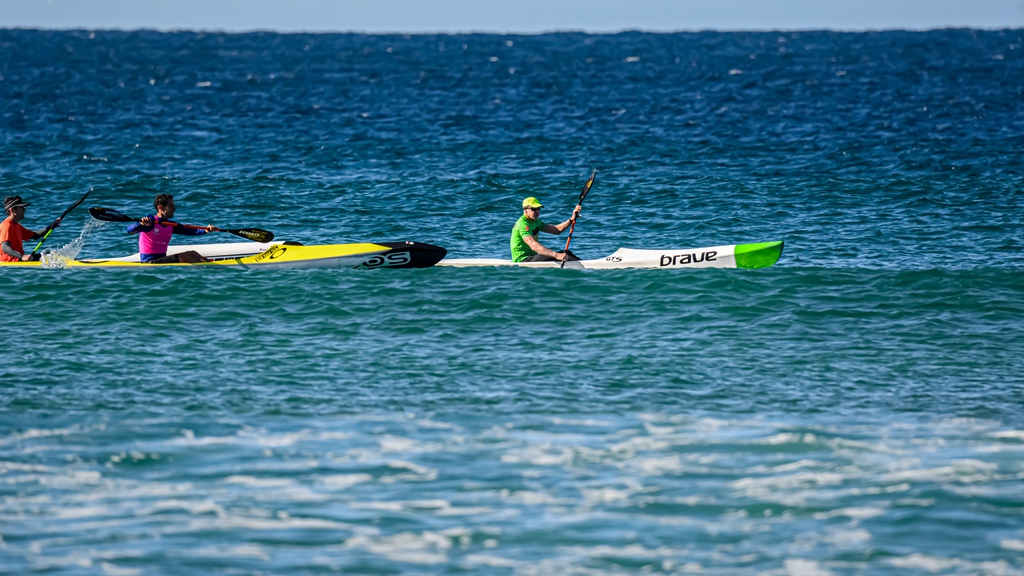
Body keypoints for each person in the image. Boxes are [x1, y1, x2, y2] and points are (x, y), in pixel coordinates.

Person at [127, 194, 219, 263]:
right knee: (189, 255)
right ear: (161, 208)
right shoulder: (150, 222)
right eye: (171, 206)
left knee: (193, 253)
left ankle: (210, 264)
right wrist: (140, 224)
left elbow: (189, 230)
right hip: (150, 262)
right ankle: (212, 267)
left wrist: (206, 230)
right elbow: (130, 230)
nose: (174, 208)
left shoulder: (170, 225)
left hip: (161, 260)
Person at [510, 196, 582, 262]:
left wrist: (571, 219)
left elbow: (557, 230)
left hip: (533, 257)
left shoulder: (536, 221)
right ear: (525, 210)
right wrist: (556, 255)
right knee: (558, 255)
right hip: (523, 260)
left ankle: (585, 264)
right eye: (534, 209)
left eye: (538, 209)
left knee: (567, 253)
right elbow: (533, 245)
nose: (537, 211)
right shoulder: (522, 224)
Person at [0, 196, 60, 262]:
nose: (24, 209)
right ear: (12, 210)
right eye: (21, 207)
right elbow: (4, 247)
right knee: (51, 257)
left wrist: (51, 226)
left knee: (52, 255)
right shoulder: (7, 225)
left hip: (18, 259)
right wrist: (22, 256)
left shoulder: (17, 226)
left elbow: (35, 235)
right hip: (10, 261)